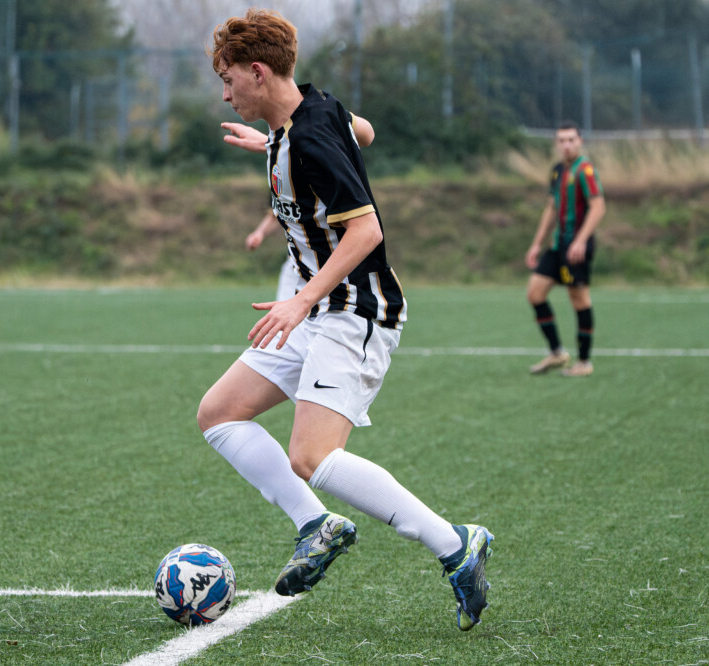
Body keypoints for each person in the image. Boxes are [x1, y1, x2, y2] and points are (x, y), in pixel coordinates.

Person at [202, 9, 493, 631]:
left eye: (229, 79)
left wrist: (301, 300)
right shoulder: (312, 111)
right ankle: (317, 524)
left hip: (355, 310)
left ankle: (453, 545)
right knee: (219, 413)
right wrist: (273, 142)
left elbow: (366, 229)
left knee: (313, 456)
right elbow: (364, 128)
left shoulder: (307, 133)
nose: (226, 94)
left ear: (258, 71)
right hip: (322, 310)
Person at [245, 115, 375, 303]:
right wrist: (259, 234)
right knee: (283, 321)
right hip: (300, 261)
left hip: (332, 260)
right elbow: (277, 212)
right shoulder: (280, 168)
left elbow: (365, 228)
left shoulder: (324, 161)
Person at [524, 121, 606, 377]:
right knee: (535, 293)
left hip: (576, 247)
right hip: (557, 245)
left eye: (571, 139)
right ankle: (557, 353)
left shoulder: (586, 170)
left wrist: (580, 240)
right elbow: (551, 208)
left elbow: (598, 206)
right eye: (562, 140)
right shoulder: (557, 171)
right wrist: (537, 243)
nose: (567, 145)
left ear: (580, 141)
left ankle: (584, 362)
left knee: (578, 298)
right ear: (557, 144)